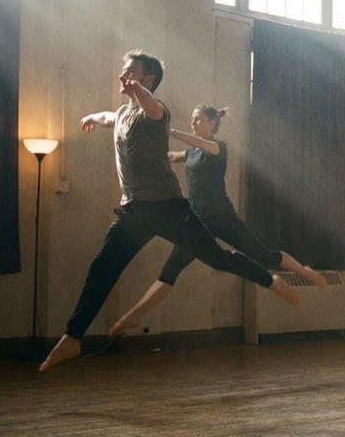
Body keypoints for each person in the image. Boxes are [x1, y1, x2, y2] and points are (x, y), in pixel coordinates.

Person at [39, 51, 297, 372]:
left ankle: (268, 280)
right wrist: (92, 116)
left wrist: (137, 90)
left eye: (133, 72)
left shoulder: (156, 113)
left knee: (217, 258)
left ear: (149, 80)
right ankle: (72, 338)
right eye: (125, 70)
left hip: (169, 209)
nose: (125, 75)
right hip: (134, 212)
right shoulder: (123, 113)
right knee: (102, 268)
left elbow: (149, 104)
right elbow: (110, 116)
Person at [108, 105, 327, 336]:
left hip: (222, 217)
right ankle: (134, 316)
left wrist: (171, 132)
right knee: (171, 270)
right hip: (197, 221)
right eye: (192, 120)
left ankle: (306, 272)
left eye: (198, 119)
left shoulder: (218, 148)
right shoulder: (191, 152)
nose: (193, 123)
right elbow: (170, 156)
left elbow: (201, 145)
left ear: (212, 123)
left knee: (263, 255)